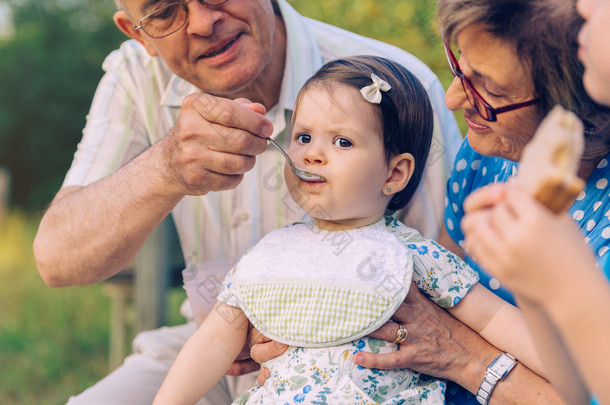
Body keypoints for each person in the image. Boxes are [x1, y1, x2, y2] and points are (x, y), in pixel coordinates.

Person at [31, 0, 463, 403]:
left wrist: (313, 327)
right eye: (164, 11)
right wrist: (164, 168)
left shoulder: (395, 88)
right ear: (138, 34)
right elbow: (57, 260)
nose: (203, 22)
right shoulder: (134, 76)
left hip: (360, 361)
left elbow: (449, 295)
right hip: (203, 347)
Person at [154, 55, 544, 405]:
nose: (312, 152)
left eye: (342, 141)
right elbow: (212, 342)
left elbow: (495, 322)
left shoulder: (415, 258)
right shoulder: (270, 254)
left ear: (394, 173)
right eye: (304, 136)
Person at [336, 0, 610, 404]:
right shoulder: (493, 150)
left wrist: (462, 358)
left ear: (591, 115)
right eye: (459, 64)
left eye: (492, 89)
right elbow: (445, 268)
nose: (453, 100)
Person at [459, 0, 610, 403]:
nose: (586, 4)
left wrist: (566, 287)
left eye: (490, 88)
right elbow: (576, 388)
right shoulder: (490, 152)